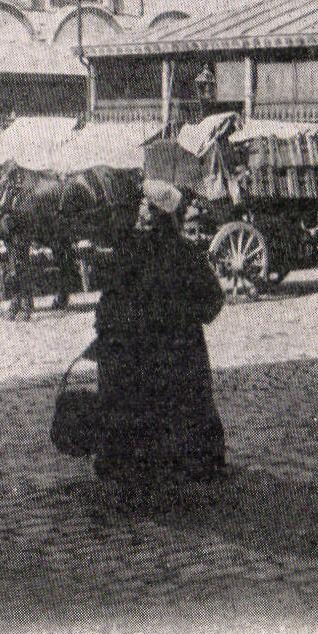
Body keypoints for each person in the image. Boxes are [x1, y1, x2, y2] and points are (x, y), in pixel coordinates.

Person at [92, 181, 226, 501]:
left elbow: (110, 301)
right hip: (181, 350)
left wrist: (111, 331)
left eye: (146, 205)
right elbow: (213, 299)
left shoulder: (129, 252)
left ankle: (135, 463)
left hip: (139, 351)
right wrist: (185, 320)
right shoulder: (185, 253)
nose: (140, 210)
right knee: (185, 403)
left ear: (154, 213)